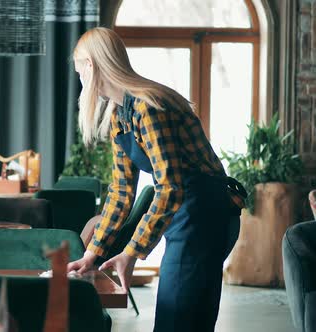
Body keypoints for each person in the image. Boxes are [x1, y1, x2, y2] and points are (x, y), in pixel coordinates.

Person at [66, 27, 246, 332]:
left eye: (79, 71)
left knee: (179, 319)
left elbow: (169, 187)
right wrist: (91, 254)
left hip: (205, 216)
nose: (80, 80)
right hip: (186, 215)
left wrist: (132, 252)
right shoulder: (119, 115)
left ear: (92, 66)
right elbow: (122, 191)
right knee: (180, 317)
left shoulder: (147, 106)